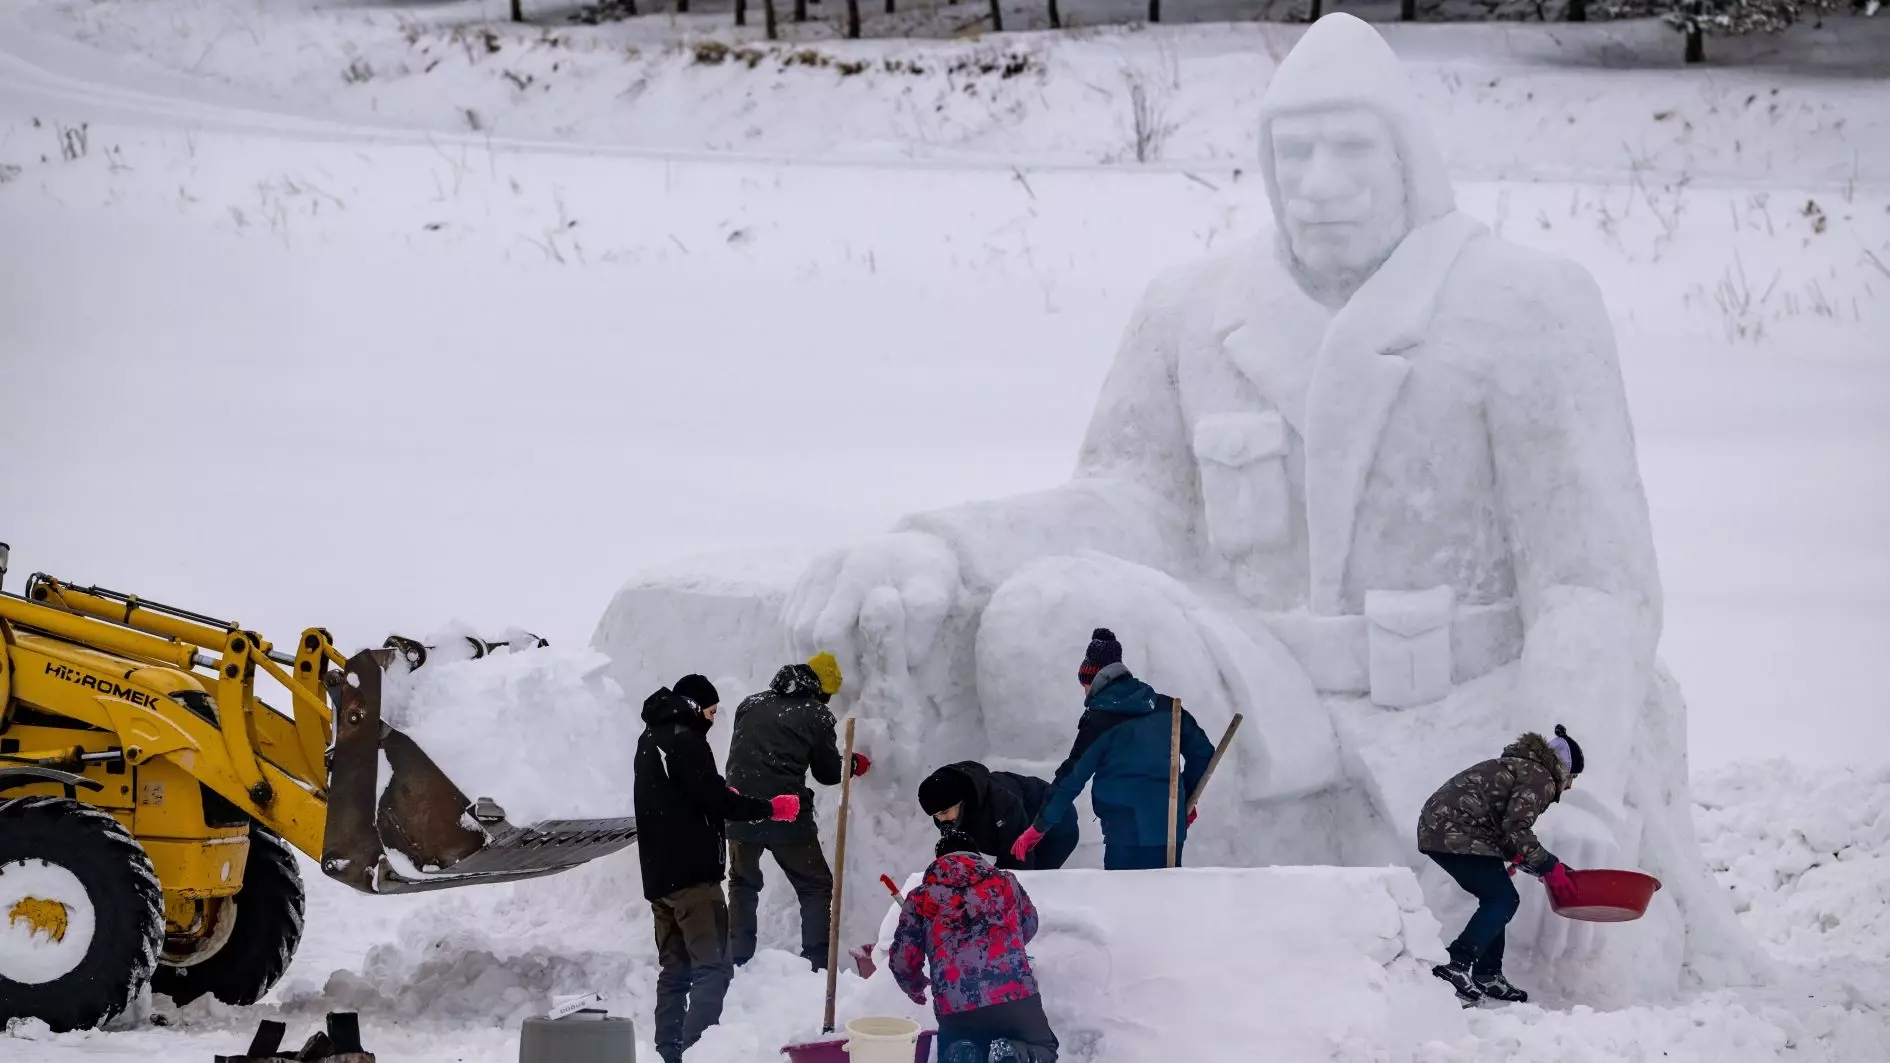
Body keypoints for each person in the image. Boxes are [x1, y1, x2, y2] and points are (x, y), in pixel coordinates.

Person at [634, 674, 801, 1063]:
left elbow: (687, 795)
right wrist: (770, 808)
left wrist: (721, 795)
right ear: (694, 707)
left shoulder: (650, 739)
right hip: (693, 878)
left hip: (660, 879)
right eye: (710, 711)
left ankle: (669, 1053)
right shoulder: (686, 740)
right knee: (713, 968)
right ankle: (696, 1053)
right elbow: (711, 799)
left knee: (675, 971)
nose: (711, 719)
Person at [1010, 629, 1215, 871]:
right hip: (1169, 827)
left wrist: (1039, 827)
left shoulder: (1101, 721)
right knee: (1166, 900)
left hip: (1124, 833)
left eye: (1084, 684)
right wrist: (1183, 800)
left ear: (1095, 680)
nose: (1084, 692)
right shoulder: (1168, 709)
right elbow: (1203, 755)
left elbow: (1071, 778)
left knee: (1124, 903)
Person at [1417, 725, 1585, 1005]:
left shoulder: (1523, 768)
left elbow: (1506, 829)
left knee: (1498, 896)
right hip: (1455, 831)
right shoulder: (1540, 776)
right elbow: (1517, 829)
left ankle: (1487, 974)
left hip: (1445, 827)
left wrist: (1530, 863)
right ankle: (1456, 963)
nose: (1570, 786)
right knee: (1503, 899)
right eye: (1573, 777)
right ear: (1563, 770)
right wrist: (1548, 866)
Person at [724, 651, 869, 970]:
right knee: (815, 884)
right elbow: (828, 772)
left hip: (736, 810)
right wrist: (854, 763)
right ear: (820, 689)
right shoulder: (814, 713)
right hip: (784, 815)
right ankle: (817, 962)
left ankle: (737, 958)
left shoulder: (750, 703)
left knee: (742, 883)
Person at [890, 829, 1060, 1063]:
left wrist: (915, 986)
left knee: (957, 1048)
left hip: (955, 1005)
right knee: (1043, 1048)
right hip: (1014, 994)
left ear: (938, 861)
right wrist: (1007, 947)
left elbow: (902, 960)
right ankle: (1010, 1055)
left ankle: (963, 1053)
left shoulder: (921, 898)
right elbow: (1029, 925)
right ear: (976, 855)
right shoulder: (1005, 882)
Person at [918, 761, 1077, 871]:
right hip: (1018, 831)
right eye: (936, 816)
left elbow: (1017, 860)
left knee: (1032, 883)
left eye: (944, 813)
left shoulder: (1000, 801)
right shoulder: (947, 813)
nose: (942, 820)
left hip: (1056, 826)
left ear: (961, 801)